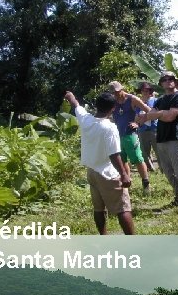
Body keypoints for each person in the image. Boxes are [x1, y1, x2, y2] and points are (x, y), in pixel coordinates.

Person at [64, 90, 135, 234]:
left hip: (92, 172)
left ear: (96, 106)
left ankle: (103, 236)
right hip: (107, 173)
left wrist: (71, 96)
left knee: (98, 208)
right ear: (113, 108)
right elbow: (114, 154)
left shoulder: (86, 119)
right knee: (123, 208)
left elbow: (76, 105)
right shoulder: (109, 127)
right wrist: (124, 174)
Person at [135, 72, 178, 210]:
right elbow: (150, 115)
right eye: (165, 79)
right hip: (161, 139)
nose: (168, 81)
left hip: (176, 138)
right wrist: (146, 116)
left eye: (171, 79)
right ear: (161, 83)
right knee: (168, 171)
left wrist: (154, 114)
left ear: (176, 82)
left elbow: (170, 116)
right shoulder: (160, 100)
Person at [107, 80, 153, 195]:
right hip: (117, 135)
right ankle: (127, 184)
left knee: (137, 158)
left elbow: (149, 111)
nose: (116, 94)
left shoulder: (132, 99)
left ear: (121, 88)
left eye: (117, 91)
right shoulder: (112, 101)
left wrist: (139, 123)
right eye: (113, 93)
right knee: (122, 160)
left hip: (130, 134)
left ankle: (146, 183)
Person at [136, 81, 159, 172]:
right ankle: (150, 168)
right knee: (145, 151)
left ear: (150, 91)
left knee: (159, 150)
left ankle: (163, 168)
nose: (145, 92)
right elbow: (136, 116)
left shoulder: (155, 101)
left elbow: (157, 113)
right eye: (143, 90)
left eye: (147, 90)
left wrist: (145, 115)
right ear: (140, 91)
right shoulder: (138, 102)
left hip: (154, 128)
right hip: (142, 129)